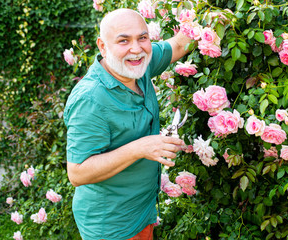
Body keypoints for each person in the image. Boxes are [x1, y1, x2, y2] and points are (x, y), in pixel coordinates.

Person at [64, 8, 193, 240]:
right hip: (113, 227)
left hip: (142, 213)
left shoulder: (138, 66)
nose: (136, 48)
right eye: (124, 41)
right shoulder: (91, 99)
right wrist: (140, 148)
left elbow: (180, 45)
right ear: (103, 46)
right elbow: (77, 173)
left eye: (142, 37)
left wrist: (207, 17)